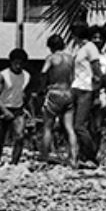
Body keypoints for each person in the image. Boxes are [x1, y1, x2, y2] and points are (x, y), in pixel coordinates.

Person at [70, 23, 106, 167]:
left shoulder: (90, 48)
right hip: (78, 88)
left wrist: (98, 93)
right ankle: (82, 156)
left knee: (79, 126)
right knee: (81, 125)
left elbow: (98, 72)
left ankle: (92, 154)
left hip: (86, 90)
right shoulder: (82, 49)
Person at [38, 32, 75, 164]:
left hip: (55, 92)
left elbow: (43, 72)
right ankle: (73, 158)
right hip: (68, 92)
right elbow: (73, 77)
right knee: (69, 128)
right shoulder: (70, 58)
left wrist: (42, 88)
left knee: (48, 127)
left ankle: (44, 157)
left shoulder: (51, 58)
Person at [0, 49, 32, 164]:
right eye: (16, 63)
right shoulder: (3, 75)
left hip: (17, 109)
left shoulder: (26, 76)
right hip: (3, 108)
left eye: (21, 63)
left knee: (20, 136)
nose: (18, 66)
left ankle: (14, 162)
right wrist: (4, 110)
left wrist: (26, 107)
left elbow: (25, 93)